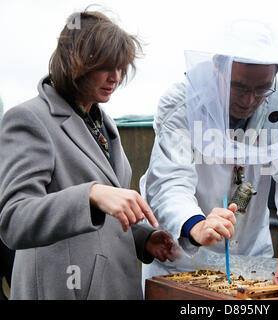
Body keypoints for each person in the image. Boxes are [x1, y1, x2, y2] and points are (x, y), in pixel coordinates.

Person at [0, 9, 178, 300]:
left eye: (120, 67)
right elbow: (14, 219)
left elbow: (105, 217)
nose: (116, 77)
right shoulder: (28, 118)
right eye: (105, 67)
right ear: (75, 63)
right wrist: (91, 195)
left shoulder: (101, 122)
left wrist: (144, 238)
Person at [140, 20, 278, 295]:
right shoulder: (182, 103)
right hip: (184, 261)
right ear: (218, 66)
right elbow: (169, 182)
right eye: (238, 87)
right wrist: (195, 224)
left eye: (262, 88)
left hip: (251, 257)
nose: (249, 100)